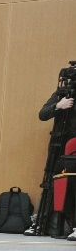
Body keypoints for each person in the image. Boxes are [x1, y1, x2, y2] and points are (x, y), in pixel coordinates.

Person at [39, 83, 76, 237]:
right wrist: (58, 105)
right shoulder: (62, 93)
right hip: (59, 147)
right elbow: (42, 114)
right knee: (52, 184)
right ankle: (43, 224)